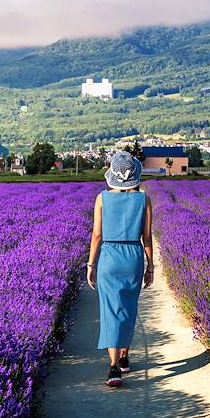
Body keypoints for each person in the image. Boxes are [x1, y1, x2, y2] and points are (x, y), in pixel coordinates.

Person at [87, 150, 154, 387]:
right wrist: (151, 268)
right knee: (128, 307)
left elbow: (97, 235)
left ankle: (113, 367)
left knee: (110, 310)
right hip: (133, 257)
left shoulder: (102, 198)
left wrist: (91, 264)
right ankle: (125, 357)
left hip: (109, 256)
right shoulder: (143, 199)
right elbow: (147, 238)